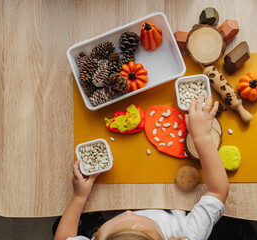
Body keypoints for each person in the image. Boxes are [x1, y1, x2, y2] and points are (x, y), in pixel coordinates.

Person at [54, 95, 229, 240]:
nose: (128, 212)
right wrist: (202, 137)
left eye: (99, 230)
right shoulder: (187, 235)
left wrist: (79, 197)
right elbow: (217, 192)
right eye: (138, 218)